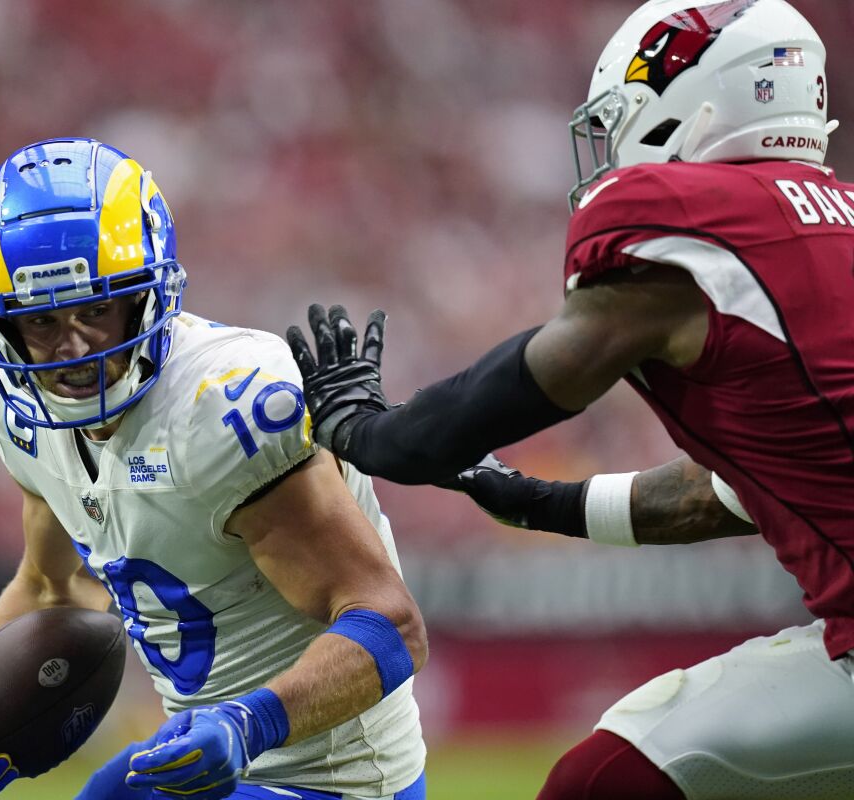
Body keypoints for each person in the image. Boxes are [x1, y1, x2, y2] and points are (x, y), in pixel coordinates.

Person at [287, 1, 854, 798]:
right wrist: (536, 501)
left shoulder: (697, 232)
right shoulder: (833, 232)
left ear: (698, 103)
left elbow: (528, 383)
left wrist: (373, 433)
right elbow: (722, 494)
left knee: (600, 784)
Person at [0, 138, 429, 800]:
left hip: (329, 780)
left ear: (146, 295)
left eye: (96, 309)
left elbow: (391, 626)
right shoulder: (26, 418)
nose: (73, 345)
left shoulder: (225, 408)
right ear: (1, 326)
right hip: (199, 756)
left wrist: (246, 725)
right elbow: (53, 590)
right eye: (40, 319)